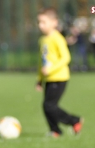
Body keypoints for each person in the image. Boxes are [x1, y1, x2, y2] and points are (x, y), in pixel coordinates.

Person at [36, 8, 83, 137]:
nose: (41, 25)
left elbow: (66, 58)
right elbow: (42, 62)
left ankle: (74, 121)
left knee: (49, 105)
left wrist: (50, 69)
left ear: (54, 22)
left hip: (59, 77)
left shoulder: (58, 38)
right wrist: (39, 79)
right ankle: (55, 130)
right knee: (47, 106)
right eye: (39, 22)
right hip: (49, 79)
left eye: (44, 22)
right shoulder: (42, 40)